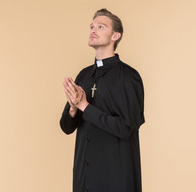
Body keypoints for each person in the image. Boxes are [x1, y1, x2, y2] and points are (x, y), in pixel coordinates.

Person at [60, 8, 145, 192]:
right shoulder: (83, 75)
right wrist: (73, 109)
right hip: (85, 176)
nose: (93, 30)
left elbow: (125, 129)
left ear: (115, 35)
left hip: (115, 176)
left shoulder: (129, 78)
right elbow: (66, 127)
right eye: (91, 26)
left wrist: (85, 106)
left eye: (101, 26)